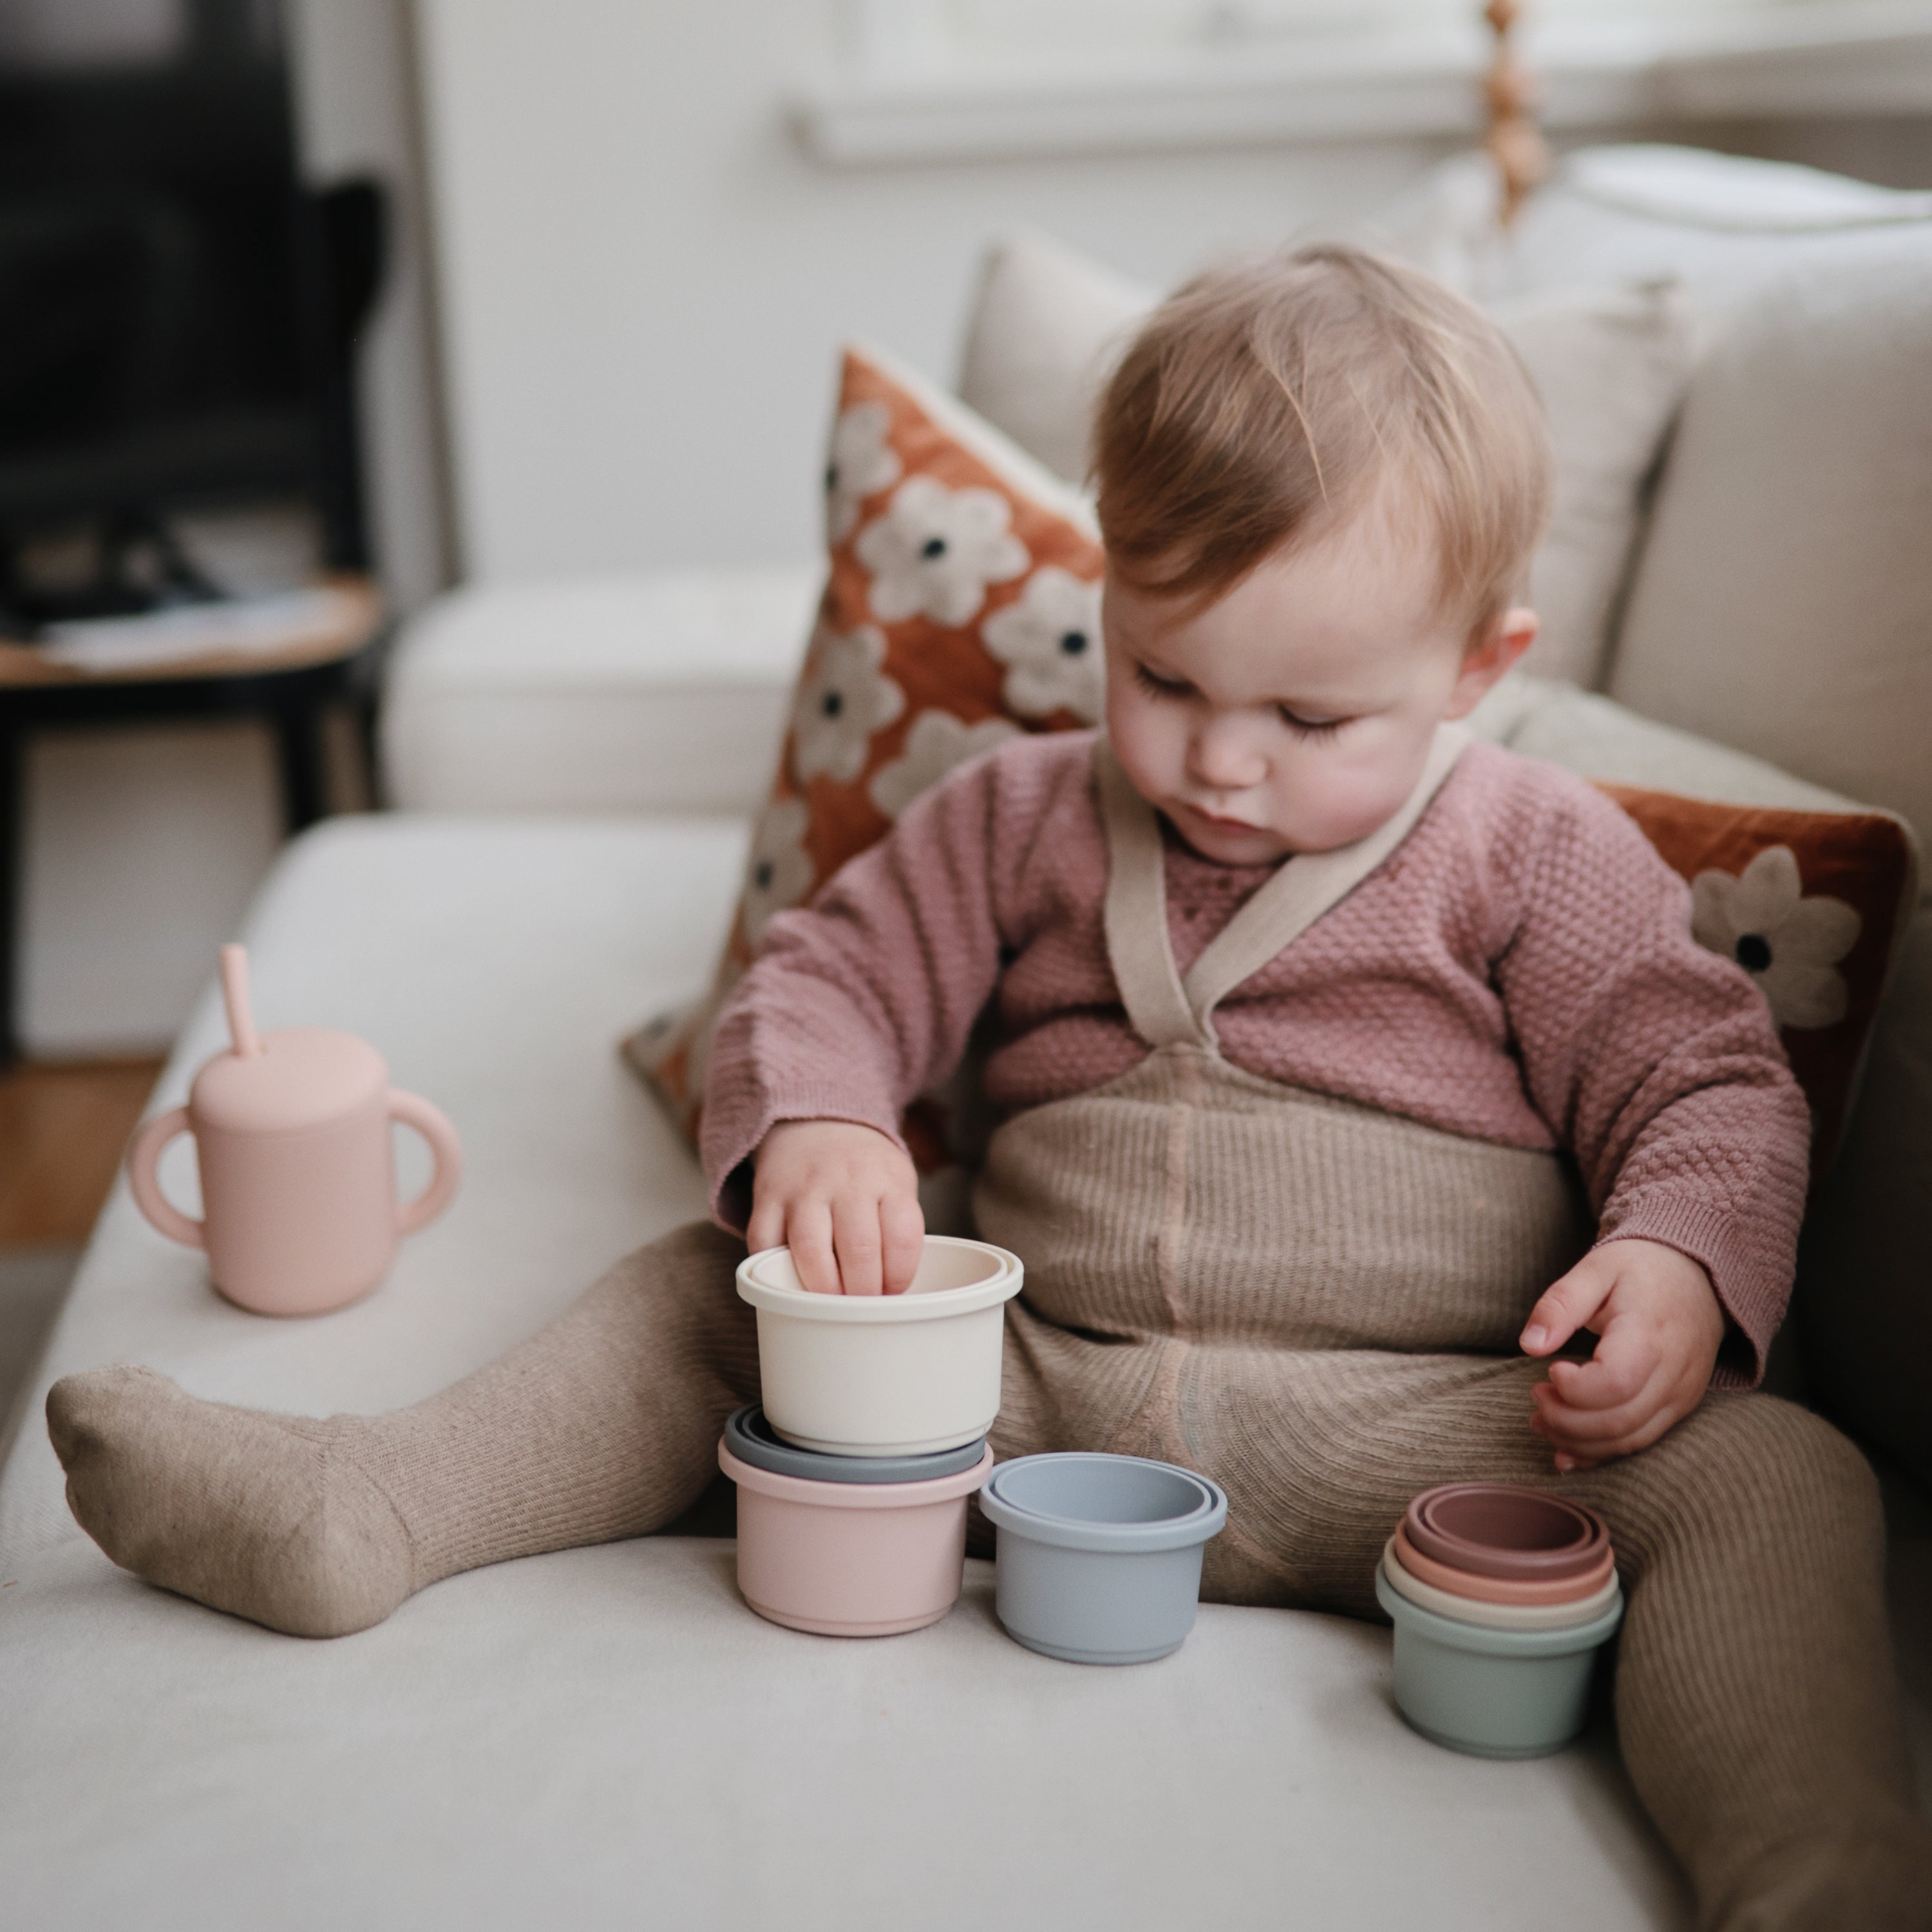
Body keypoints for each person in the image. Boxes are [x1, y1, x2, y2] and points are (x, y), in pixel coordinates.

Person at [48, 246, 1927, 1929]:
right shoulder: (1017, 818)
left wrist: (1680, 1261)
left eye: (1314, 719)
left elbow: (1707, 1077)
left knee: (1776, 1480)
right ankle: (364, 1504)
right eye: (1166, 675)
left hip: (1426, 1421)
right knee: (701, 1304)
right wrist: (829, 1120)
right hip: (1019, 1399)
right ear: (1109, 595)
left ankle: (1816, 1872)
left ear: (1478, 669)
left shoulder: (1539, 851)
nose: (1223, 765)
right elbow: (829, 968)